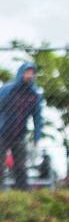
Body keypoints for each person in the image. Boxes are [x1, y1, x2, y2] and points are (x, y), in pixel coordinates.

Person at [0, 62, 44, 190]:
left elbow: (37, 117)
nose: (29, 75)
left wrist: (36, 138)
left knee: (20, 166)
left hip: (19, 134)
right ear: (20, 73)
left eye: (31, 72)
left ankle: (22, 193)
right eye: (26, 72)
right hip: (2, 132)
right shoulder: (7, 90)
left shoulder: (34, 95)